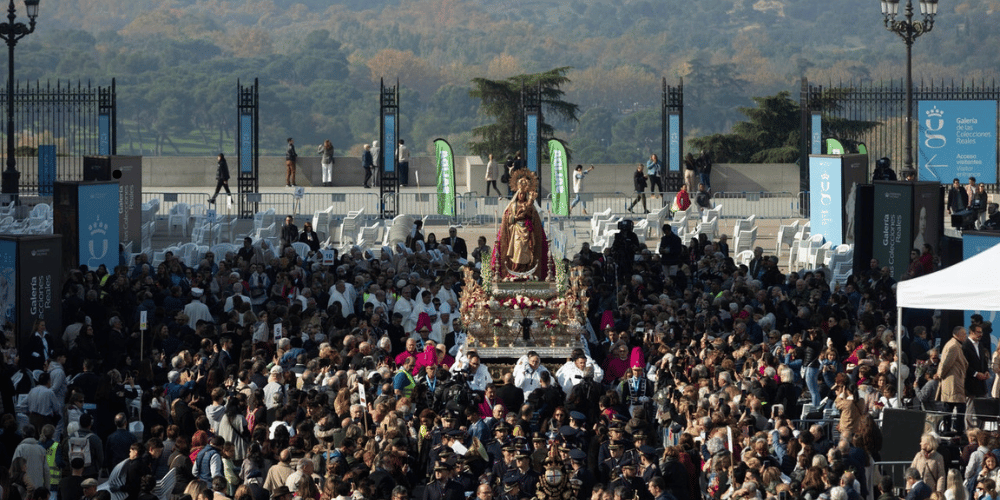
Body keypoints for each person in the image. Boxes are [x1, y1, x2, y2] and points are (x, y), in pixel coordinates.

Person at [497, 177, 547, 280]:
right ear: (517, 194)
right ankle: (516, 270)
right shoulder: (513, 205)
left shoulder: (530, 205)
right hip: (516, 231)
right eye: (520, 193)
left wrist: (529, 213)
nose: (522, 195)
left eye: (524, 194)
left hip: (527, 231)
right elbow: (507, 217)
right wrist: (515, 217)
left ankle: (525, 270)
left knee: (527, 251)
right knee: (517, 250)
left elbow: (535, 218)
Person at [938, 326, 969, 433]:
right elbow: (946, 364)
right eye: (964, 334)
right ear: (958, 335)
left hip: (954, 381)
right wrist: (941, 375)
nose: (966, 336)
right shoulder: (953, 346)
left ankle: (952, 429)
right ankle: (956, 430)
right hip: (952, 382)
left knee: (951, 407)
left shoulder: (954, 345)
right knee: (958, 407)